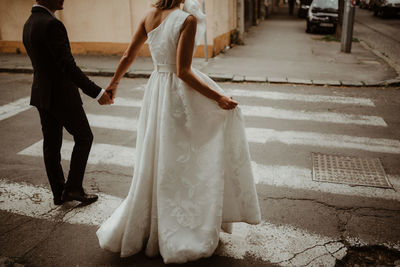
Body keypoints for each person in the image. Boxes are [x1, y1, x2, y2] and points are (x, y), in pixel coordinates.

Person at [96, 0, 261, 264]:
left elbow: (128, 55)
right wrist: (218, 97)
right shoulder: (186, 20)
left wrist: (113, 85)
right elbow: (183, 72)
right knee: (183, 159)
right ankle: (180, 223)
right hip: (176, 96)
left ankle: (153, 225)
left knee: (156, 156)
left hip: (156, 91)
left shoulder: (149, 16)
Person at [23, 0, 113, 206]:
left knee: (51, 144)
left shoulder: (29, 22)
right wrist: (97, 93)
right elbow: (68, 66)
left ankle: (58, 192)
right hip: (61, 95)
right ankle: (73, 188)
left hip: (42, 94)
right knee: (84, 137)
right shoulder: (52, 24)